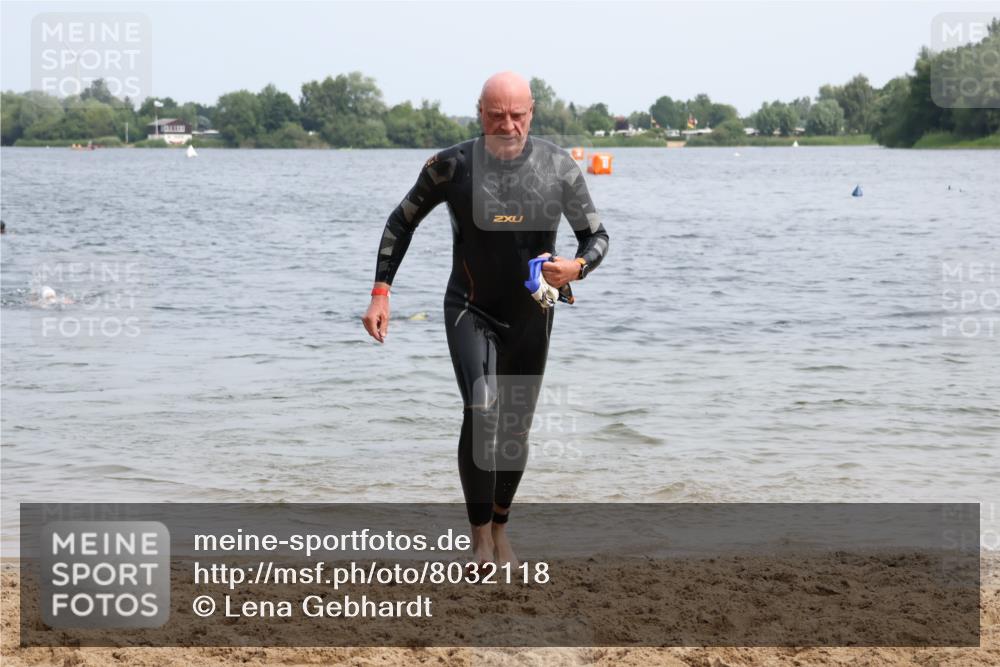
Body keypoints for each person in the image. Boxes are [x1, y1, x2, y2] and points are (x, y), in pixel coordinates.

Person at [362, 71, 609, 570]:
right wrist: (381, 293)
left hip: (533, 313)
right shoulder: (451, 167)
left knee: (514, 430)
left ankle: (500, 528)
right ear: (481, 113)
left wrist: (575, 269)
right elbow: (400, 221)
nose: (508, 126)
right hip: (470, 307)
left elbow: (597, 237)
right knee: (482, 407)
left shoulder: (559, 168)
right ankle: (478, 540)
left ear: (532, 113)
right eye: (497, 116)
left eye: (518, 115)